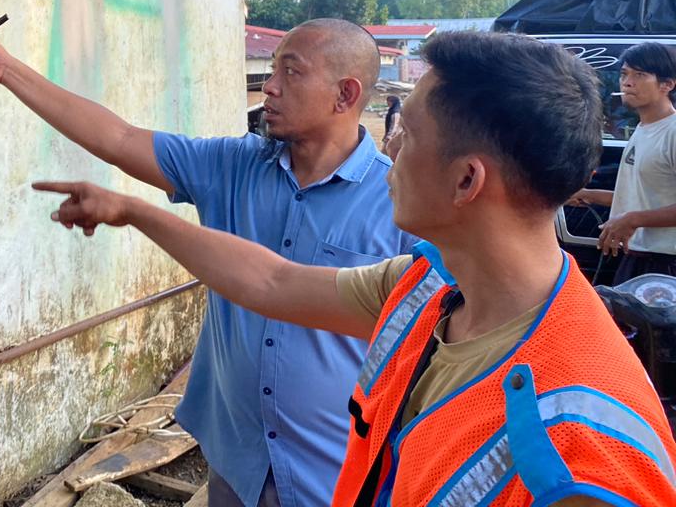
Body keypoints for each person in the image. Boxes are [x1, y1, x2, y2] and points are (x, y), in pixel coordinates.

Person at [36, 31, 676, 507]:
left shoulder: (584, 446)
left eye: (408, 136)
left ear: (466, 180)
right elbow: (272, 281)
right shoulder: (427, 288)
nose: (388, 150)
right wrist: (134, 212)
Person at [0, 18, 414, 507]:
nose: (270, 86)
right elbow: (118, 138)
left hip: (337, 475)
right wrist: (8, 71)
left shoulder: (400, 206)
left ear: (345, 95)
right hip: (236, 459)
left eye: (291, 72)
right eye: (272, 69)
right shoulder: (232, 166)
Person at [573, 42, 676, 281]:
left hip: (665, 266)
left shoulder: (672, 132)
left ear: (667, 85)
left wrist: (632, 220)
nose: (627, 82)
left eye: (640, 75)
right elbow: (643, 198)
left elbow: (637, 213)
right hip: (636, 258)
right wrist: (590, 194)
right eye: (624, 74)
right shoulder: (643, 128)